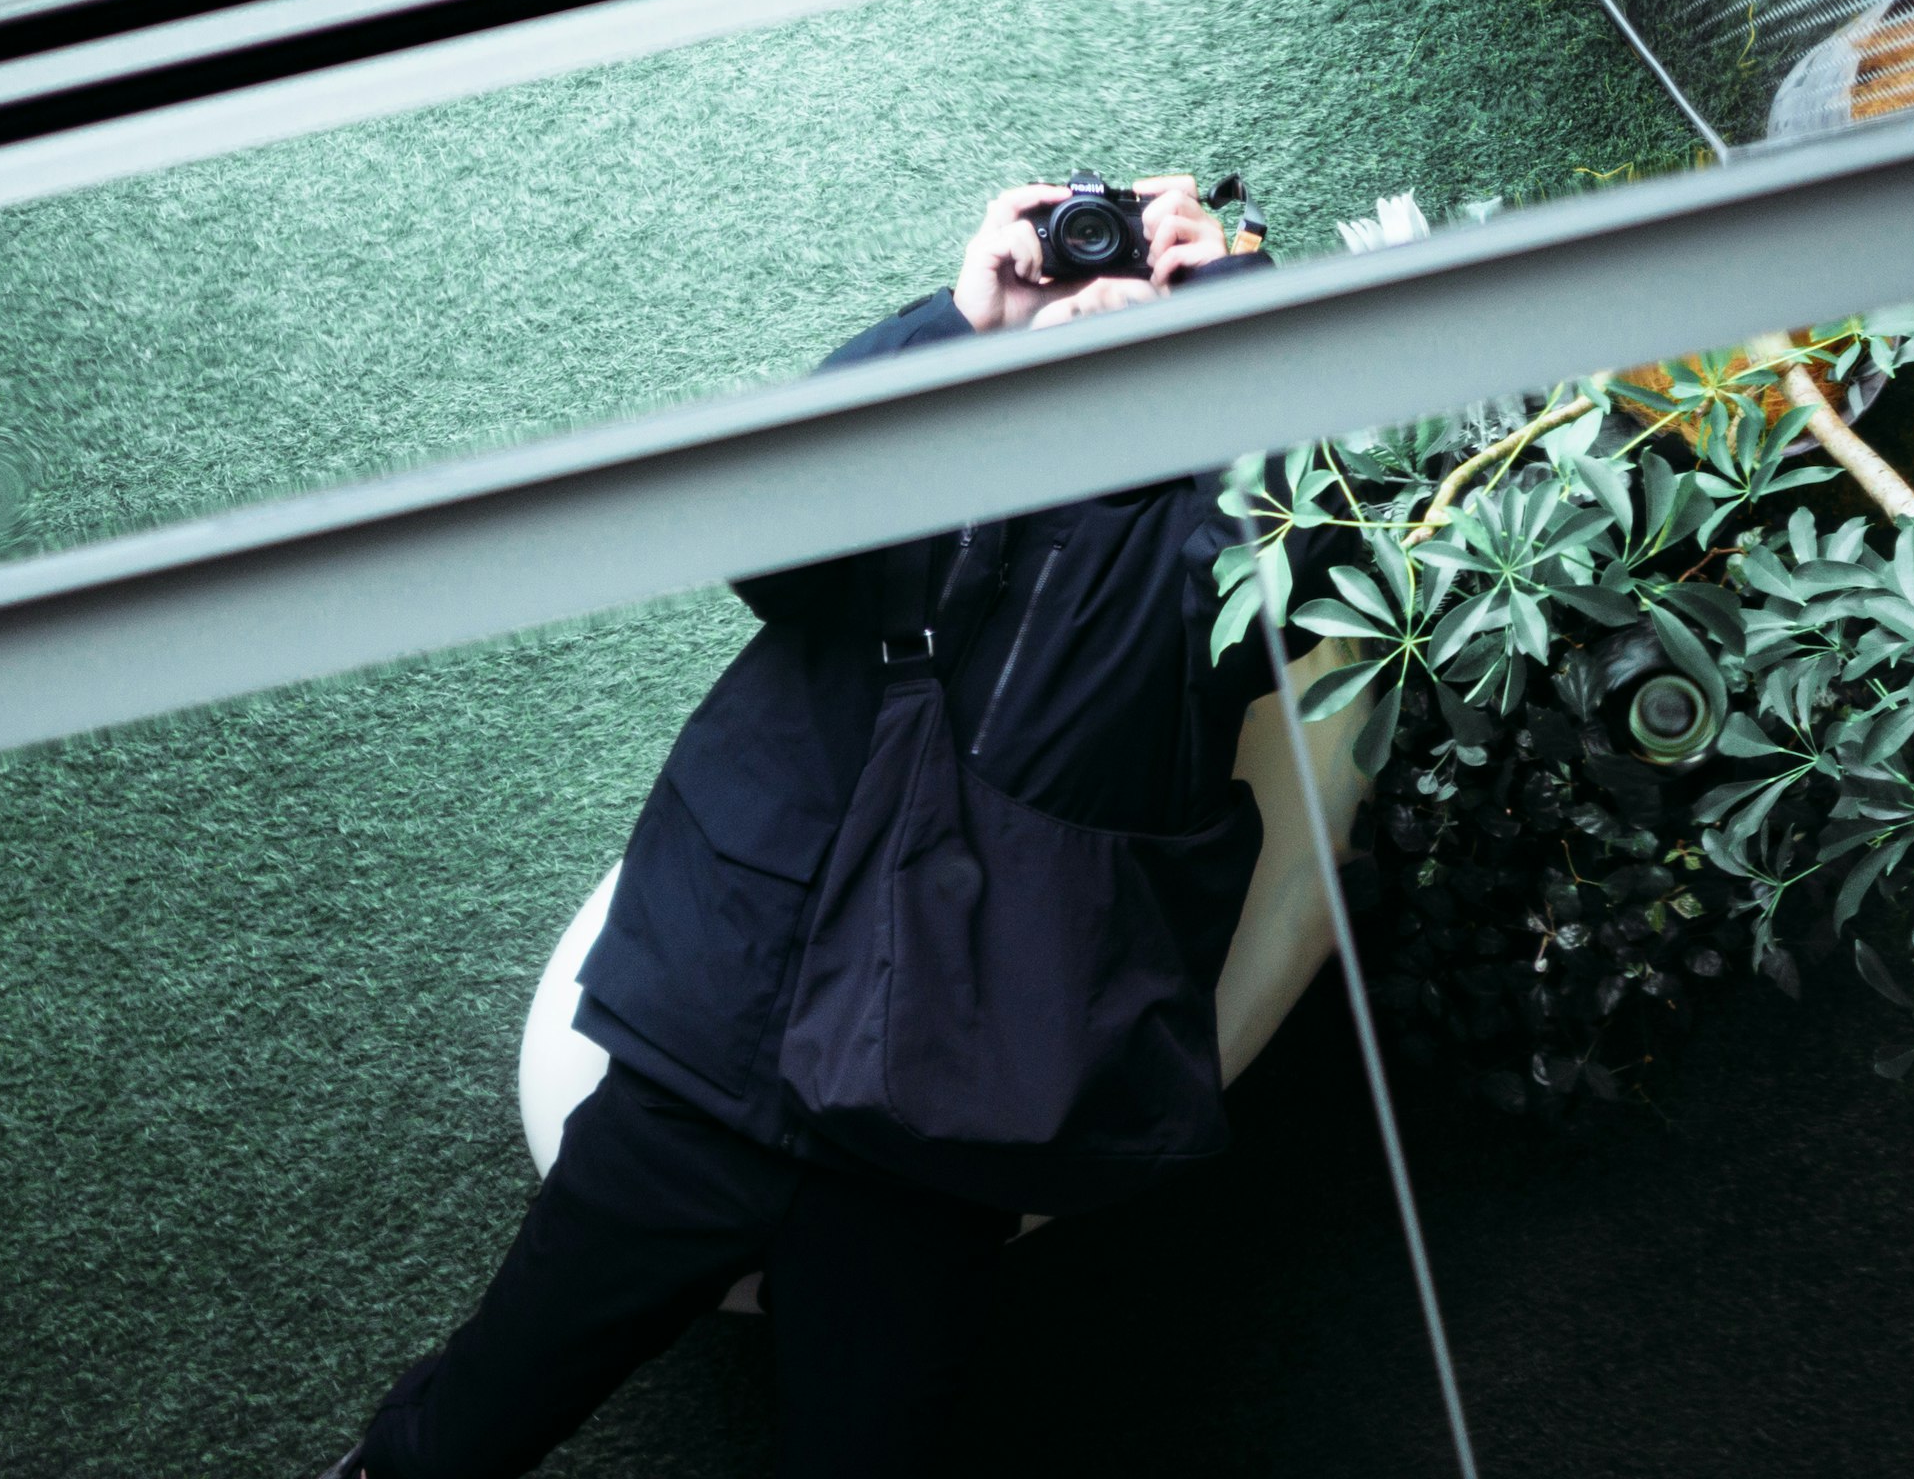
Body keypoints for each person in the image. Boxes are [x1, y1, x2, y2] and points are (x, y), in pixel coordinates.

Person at [336, 176, 1327, 1479]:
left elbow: (1291, 591)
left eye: (1143, 269)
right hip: (723, 1036)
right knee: (469, 1415)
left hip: (947, 1112)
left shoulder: (1201, 538)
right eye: (1089, 253)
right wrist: (960, 324)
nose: (1104, 281)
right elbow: (764, 531)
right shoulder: (939, 419)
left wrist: (1233, 316)